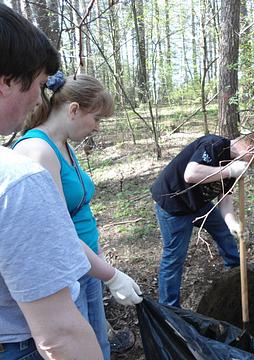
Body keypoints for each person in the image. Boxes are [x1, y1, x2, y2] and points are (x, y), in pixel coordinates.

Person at [13, 72, 142, 359]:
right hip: (66, 272)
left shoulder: (65, 146)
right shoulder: (37, 152)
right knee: (81, 349)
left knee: (99, 344)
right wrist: (112, 275)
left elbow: (76, 211)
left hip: (87, 264)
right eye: (96, 119)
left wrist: (100, 264)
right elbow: (59, 233)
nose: (97, 128)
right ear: (74, 110)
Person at [0, 4, 102, 359]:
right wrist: (110, 274)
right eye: (40, 84)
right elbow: (58, 336)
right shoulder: (19, 177)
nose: (39, 97)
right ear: (7, 81)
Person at [150, 133, 254, 307]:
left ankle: (235, 272)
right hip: (173, 205)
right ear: (250, 148)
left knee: (223, 231)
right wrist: (229, 170)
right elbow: (191, 174)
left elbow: (225, 199)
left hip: (198, 205)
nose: (253, 165)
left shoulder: (236, 166)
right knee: (174, 257)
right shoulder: (213, 145)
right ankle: (169, 307)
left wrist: (232, 223)